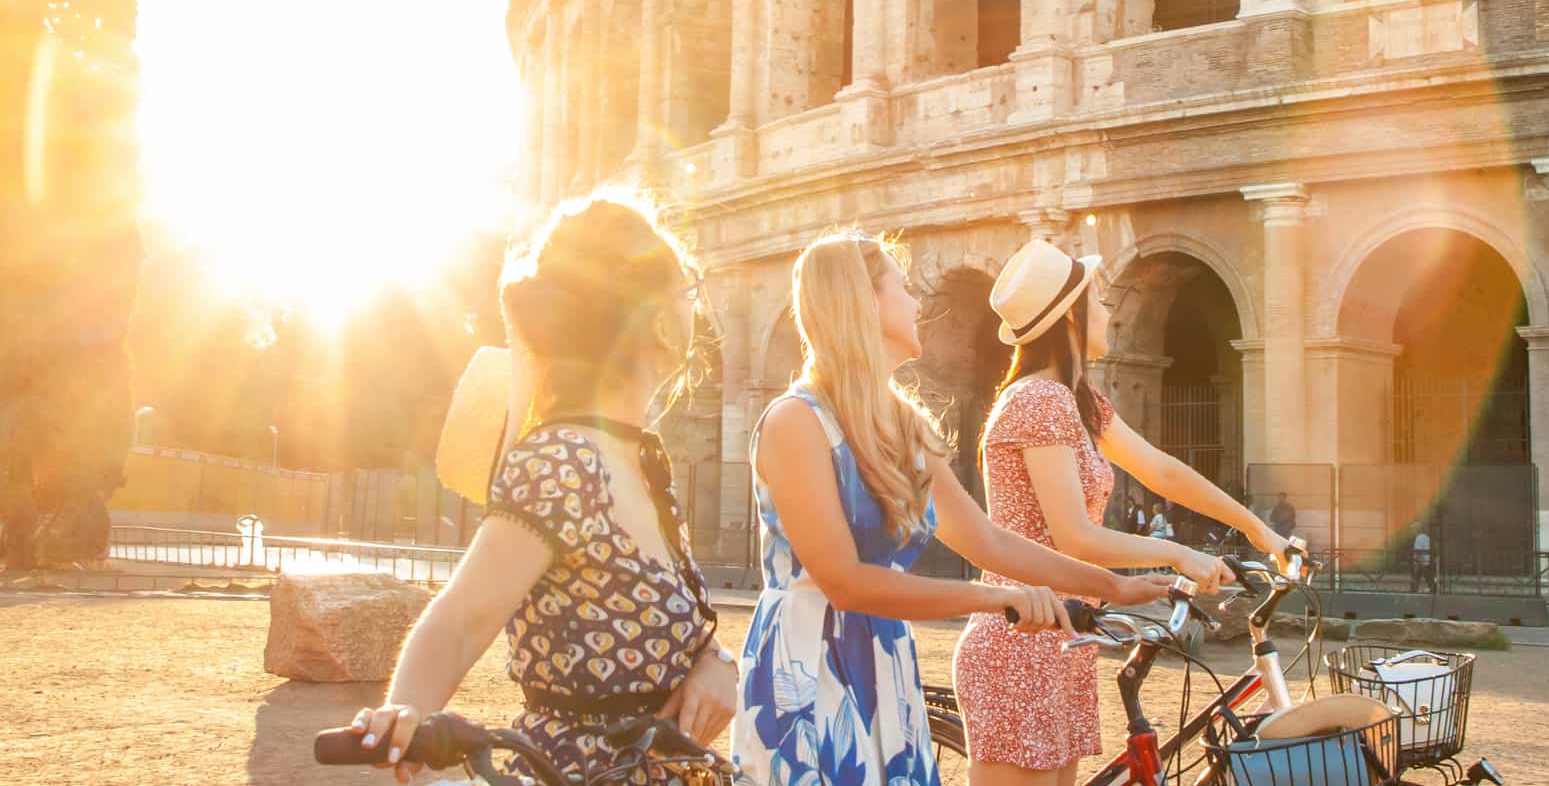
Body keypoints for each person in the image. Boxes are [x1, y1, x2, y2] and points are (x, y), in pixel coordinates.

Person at [733, 231, 1172, 786]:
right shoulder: (795, 420)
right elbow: (843, 581)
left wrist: (1114, 586)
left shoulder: (902, 424)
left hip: (885, 658)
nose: (918, 303)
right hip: (805, 668)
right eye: (903, 287)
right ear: (864, 301)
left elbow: (988, 541)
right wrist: (996, 597)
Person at [349, 197, 736, 785]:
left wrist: (713, 661)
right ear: (658, 321)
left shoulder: (637, 459)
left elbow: (665, 626)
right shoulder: (565, 463)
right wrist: (405, 716)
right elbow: (461, 619)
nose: (695, 306)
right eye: (689, 289)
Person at [953, 239, 1301, 785]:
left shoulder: (1077, 399)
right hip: (1019, 642)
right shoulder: (1038, 402)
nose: (1110, 309)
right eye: (1099, 298)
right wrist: (1181, 554)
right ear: (1071, 313)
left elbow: (1161, 471)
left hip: (1062, 636)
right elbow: (1075, 536)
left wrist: (1259, 531)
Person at [1411, 522, 1437, 593]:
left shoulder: (1418, 538)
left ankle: (1415, 590)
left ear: (1417, 530)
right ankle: (1433, 588)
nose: (1412, 531)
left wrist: (1416, 562)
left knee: (1418, 577)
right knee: (1427, 577)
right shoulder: (1427, 537)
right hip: (1427, 561)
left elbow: (1418, 551)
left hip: (1421, 561)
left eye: (1413, 529)